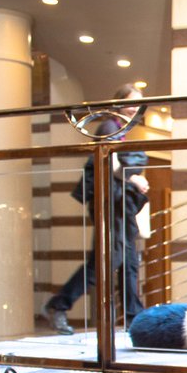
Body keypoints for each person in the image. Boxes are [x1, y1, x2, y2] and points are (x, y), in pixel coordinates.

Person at [43, 84, 149, 335]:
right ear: (118, 104)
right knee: (106, 260)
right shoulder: (109, 127)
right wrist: (135, 179)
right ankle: (59, 305)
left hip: (119, 205)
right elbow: (109, 164)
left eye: (138, 104)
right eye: (131, 102)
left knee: (128, 260)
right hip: (111, 204)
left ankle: (134, 319)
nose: (135, 108)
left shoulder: (119, 130)